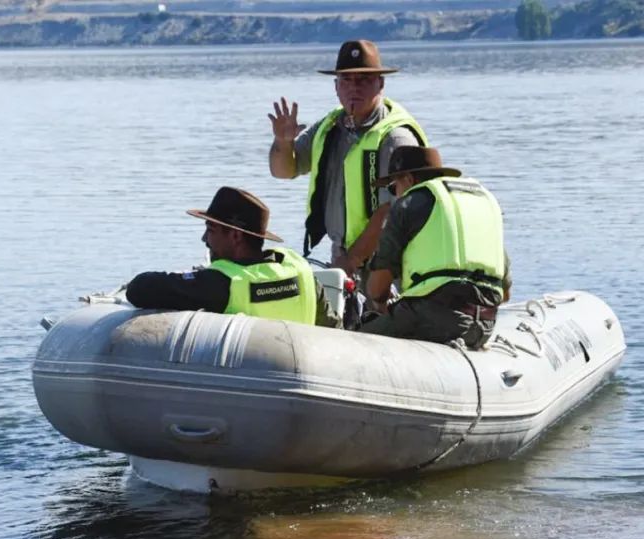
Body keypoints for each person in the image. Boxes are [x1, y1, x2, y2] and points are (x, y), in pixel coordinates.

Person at [268, 39, 428, 277]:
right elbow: (283, 171)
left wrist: (352, 260)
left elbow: (393, 211)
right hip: (344, 258)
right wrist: (283, 141)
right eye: (347, 80)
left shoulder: (396, 138)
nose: (354, 87)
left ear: (380, 83)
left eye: (364, 80)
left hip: (391, 263)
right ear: (336, 86)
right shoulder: (330, 127)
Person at [361, 146, 512, 348]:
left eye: (392, 187)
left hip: (432, 319)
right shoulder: (479, 205)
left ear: (408, 179)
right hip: (485, 326)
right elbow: (506, 294)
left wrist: (380, 305)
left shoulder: (408, 205)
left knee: (359, 339)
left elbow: (377, 289)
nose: (394, 194)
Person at [125, 187, 340, 327]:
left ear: (236, 236)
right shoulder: (300, 269)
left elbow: (140, 289)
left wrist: (189, 278)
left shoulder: (224, 282)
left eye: (211, 230)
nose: (204, 239)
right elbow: (334, 329)